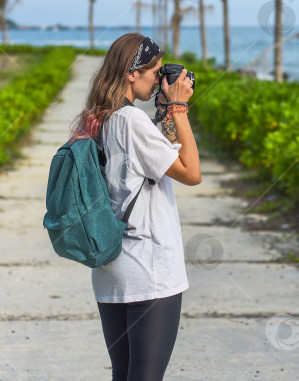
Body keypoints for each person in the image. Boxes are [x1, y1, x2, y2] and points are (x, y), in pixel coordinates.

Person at [67, 33, 201, 381]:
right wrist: (179, 108)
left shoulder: (98, 119)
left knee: (124, 375)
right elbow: (191, 172)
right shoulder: (132, 122)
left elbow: (151, 157)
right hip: (150, 272)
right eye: (155, 71)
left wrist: (164, 113)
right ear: (132, 73)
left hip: (113, 272)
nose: (160, 78)